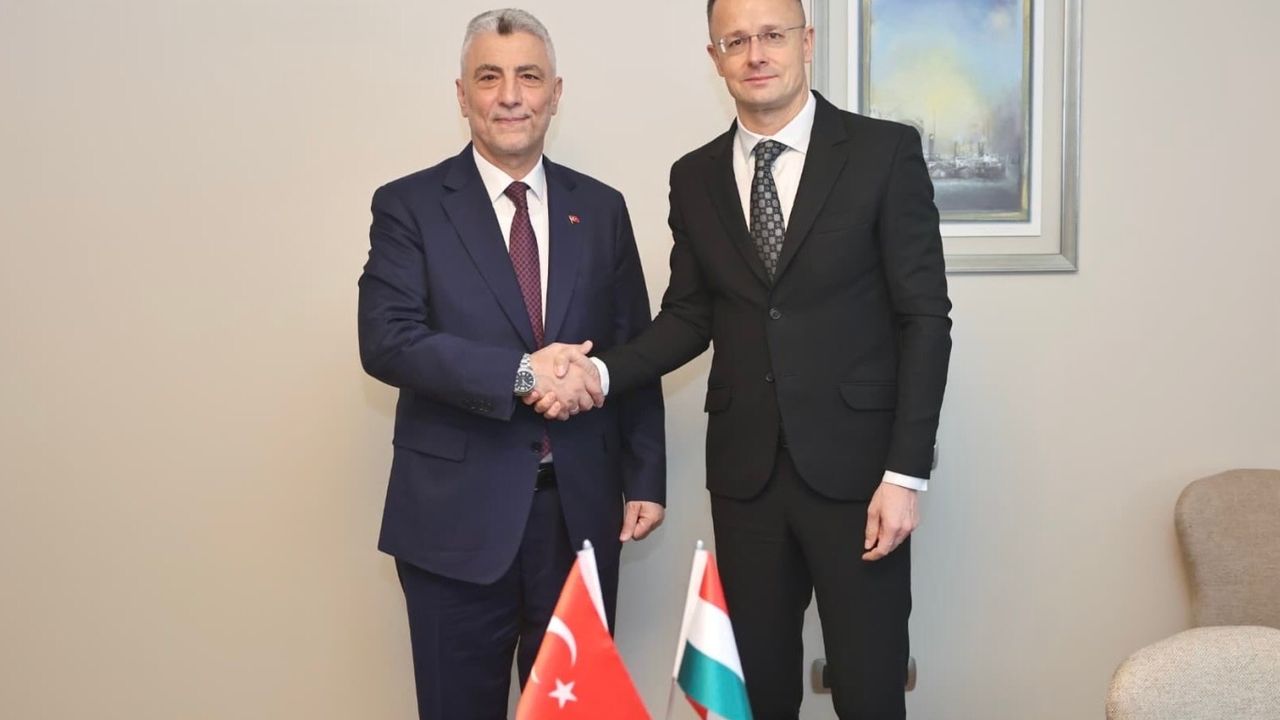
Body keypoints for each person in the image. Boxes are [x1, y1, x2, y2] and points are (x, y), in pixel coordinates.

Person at [530, 0, 951, 716]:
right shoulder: (694, 177)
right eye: (736, 40)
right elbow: (690, 315)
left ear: (805, 42)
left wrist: (904, 475)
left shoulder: (883, 153)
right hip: (746, 479)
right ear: (715, 57)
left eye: (772, 35)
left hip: (861, 478)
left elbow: (925, 319)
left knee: (870, 686)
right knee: (756, 692)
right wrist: (599, 372)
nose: (756, 54)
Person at [357, 9, 666, 719]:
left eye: (528, 77)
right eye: (489, 78)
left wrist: (645, 475)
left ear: (556, 92)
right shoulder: (409, 206)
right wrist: (523, 374)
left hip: (578, 512)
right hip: (454, 523)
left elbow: (633, 347)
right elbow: (387, 339)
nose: (510, 96)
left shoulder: (603, 208)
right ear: (461, 94)